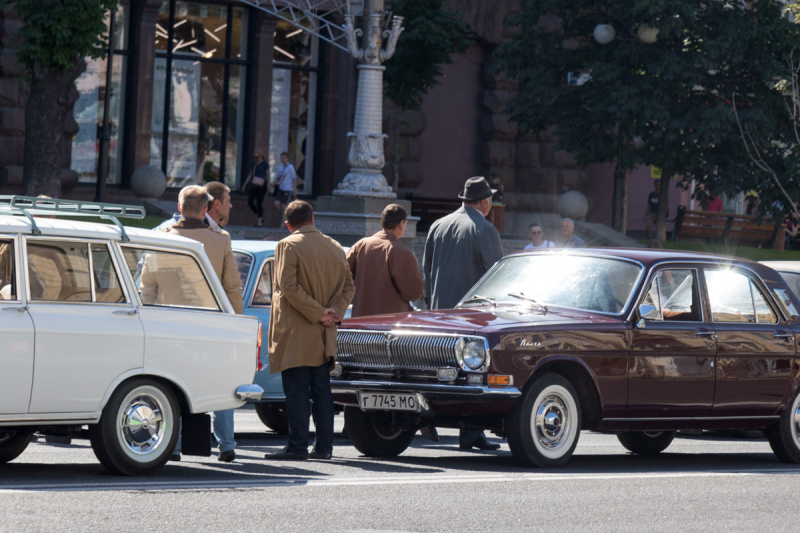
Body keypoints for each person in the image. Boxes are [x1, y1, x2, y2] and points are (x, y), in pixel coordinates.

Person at [152, 185, 244, 463]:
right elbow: (232, 287)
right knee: (222, 382)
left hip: (169, 323)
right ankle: (226, 444)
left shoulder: (161, 237)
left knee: (173, 384)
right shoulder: (220, 240)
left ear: (179, 208)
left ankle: (175, 446)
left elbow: (148, 284)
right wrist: (237, 323)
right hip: (211, 324)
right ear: (206, 210)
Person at [266, 200, 354, 460]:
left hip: (297, 331)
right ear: (313, 219)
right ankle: (324, 448)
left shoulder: (288, 245)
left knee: (296, 393)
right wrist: (333, 312)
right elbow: (349, 286)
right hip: (325, 332)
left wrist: (318, 313)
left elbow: (287, 286)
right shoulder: (334, 245)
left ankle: (297, 447)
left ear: (288, 225)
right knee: (322, 392)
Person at [423, 176, 503, 451]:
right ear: (485, 202)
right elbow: (496, 277)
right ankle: (471, 433)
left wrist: (431, 307)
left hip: (439, 313)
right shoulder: (485, 229)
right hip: (471, 318)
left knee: (440, 371)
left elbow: (427, 271)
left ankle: (429, 419)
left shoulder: (438, 225)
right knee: (471, 376)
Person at [346, 204, 424, 317]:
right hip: (389, 321)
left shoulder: (361, 244)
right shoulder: (402, 252)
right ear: (401, 224)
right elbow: (413, 292)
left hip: (361, 317)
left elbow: (341, 273)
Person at [241, 149, 269, 227]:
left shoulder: (265, 163)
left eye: (257, 155)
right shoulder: (254, 164)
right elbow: (250, 175)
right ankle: (258, 213)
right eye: (255, 155)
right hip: (254, 185)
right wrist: (244, 185)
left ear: (260, 155)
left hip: (262, 185)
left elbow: (268, 175)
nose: (256, 157)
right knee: (250, 201)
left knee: (259, 203)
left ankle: (260, 221)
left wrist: (269, 185)